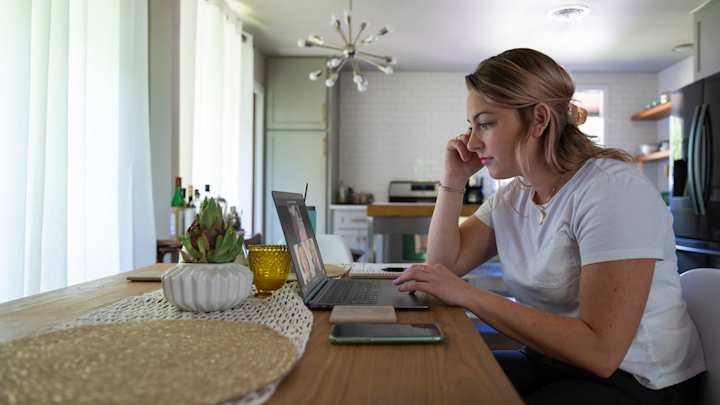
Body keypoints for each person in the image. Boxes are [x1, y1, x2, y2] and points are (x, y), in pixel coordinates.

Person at [393, 49, 705, 404]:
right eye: (471, 126)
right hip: (551, 361)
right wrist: (453, 180)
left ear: (539, 119)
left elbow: (602, 352)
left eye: (486, 124)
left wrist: (467, 295)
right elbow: (443, 268)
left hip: (637, 380)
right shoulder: (515, 195)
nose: (472, 142)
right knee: (430, 383)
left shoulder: (612, 190)